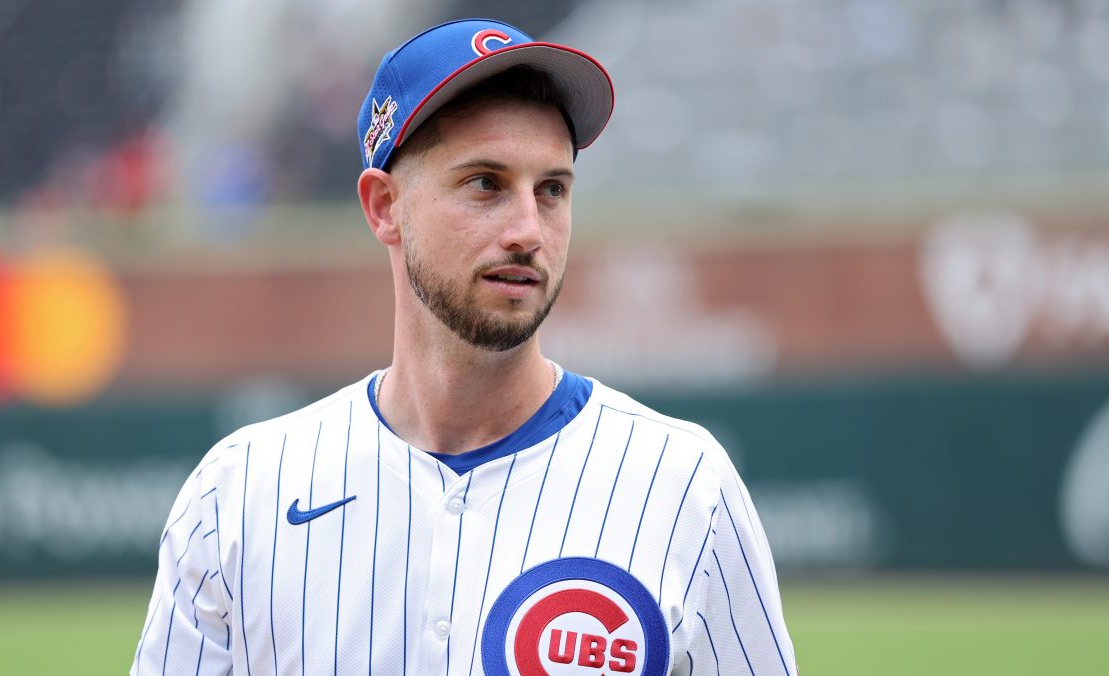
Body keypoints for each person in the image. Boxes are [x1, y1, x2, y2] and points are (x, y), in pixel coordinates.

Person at [132, 18, 796, 675]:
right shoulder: (239, 493)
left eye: (552, 190)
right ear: (384, 206)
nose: (528, 230)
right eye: (486, 183)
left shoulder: (684, 484)